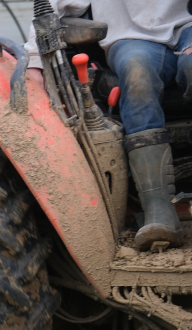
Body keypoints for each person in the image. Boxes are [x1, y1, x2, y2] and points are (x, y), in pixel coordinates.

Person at [28, 1, 192, 251]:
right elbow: (51, 6)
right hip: (131, 38)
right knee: (137, 73)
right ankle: (158, 209)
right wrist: (33, 59)